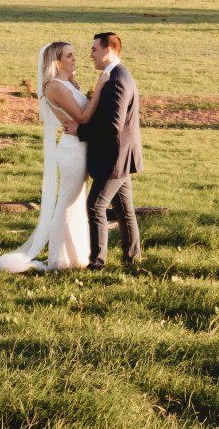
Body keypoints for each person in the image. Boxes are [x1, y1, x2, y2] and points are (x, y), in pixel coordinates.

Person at [0, 40, 96, 272]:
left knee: (76, 201)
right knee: (68, 201)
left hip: (79, 146)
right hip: (72, 151)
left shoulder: (66, 84)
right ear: (57, 62)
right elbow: (82, 116)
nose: (74, 58)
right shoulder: (54, 87)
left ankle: (76, 255)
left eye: (73, 55)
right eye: (69, 55)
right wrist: (99, 90)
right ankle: (60, 258)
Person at [70, 30, 143, 270]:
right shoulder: (115, 76)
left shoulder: (117, 80)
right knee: (124, 210)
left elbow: (113, 125)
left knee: (95, 206)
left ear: (108, 50)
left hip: (114, 157)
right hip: (120, 156)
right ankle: (132, 260)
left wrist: (80, 132)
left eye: (94, 49)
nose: (90, 54)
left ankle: (97, 263)